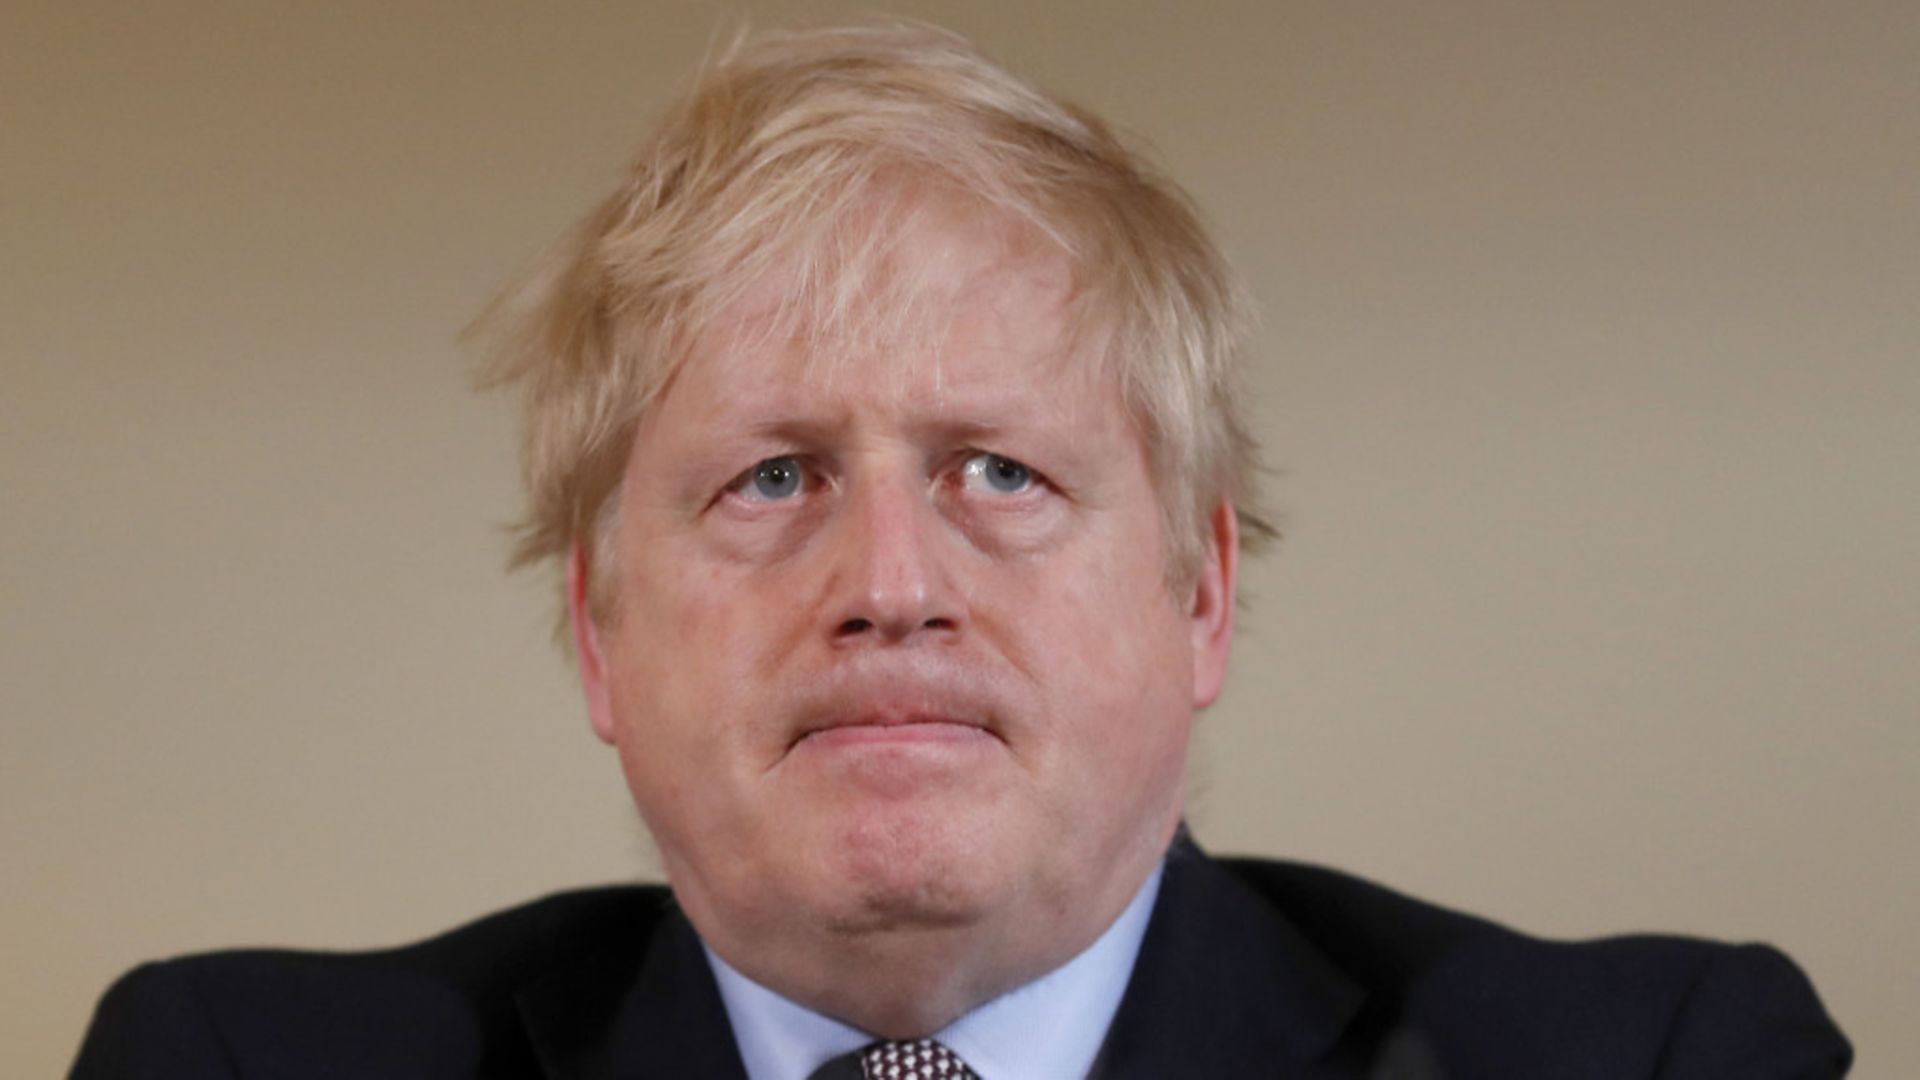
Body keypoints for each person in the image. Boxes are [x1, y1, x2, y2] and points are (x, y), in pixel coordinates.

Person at [72, 22, 1850, 1079]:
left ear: (1202, 592)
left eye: (999, 470)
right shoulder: (234, 1069)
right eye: (769, 481)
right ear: (600, 636)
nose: (891, 582)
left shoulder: (1651, 1063)